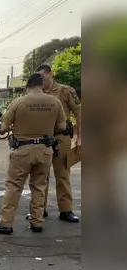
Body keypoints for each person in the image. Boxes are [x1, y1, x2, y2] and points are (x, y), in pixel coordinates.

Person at [0, 73, 66, 235]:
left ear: (27, 86)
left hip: (22, 150)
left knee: (14, 186)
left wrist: (12, 127)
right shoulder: (55, 102)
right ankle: (37, 222)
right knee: (39, 186)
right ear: (42, 85)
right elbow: (62, 126)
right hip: (45, 150)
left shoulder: (18, 102)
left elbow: (2, 128)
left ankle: (5, 223)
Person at [33, 63, 82, 223]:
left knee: (62, 174)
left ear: (50, 74)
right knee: (41, 175)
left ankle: (66, 210)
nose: (40, 80)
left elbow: (79, 113)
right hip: (41, 138)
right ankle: (40, 209)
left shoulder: (65, 91)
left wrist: (79, 137)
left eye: (42, 76)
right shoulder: (36, 93)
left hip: (61, 137)